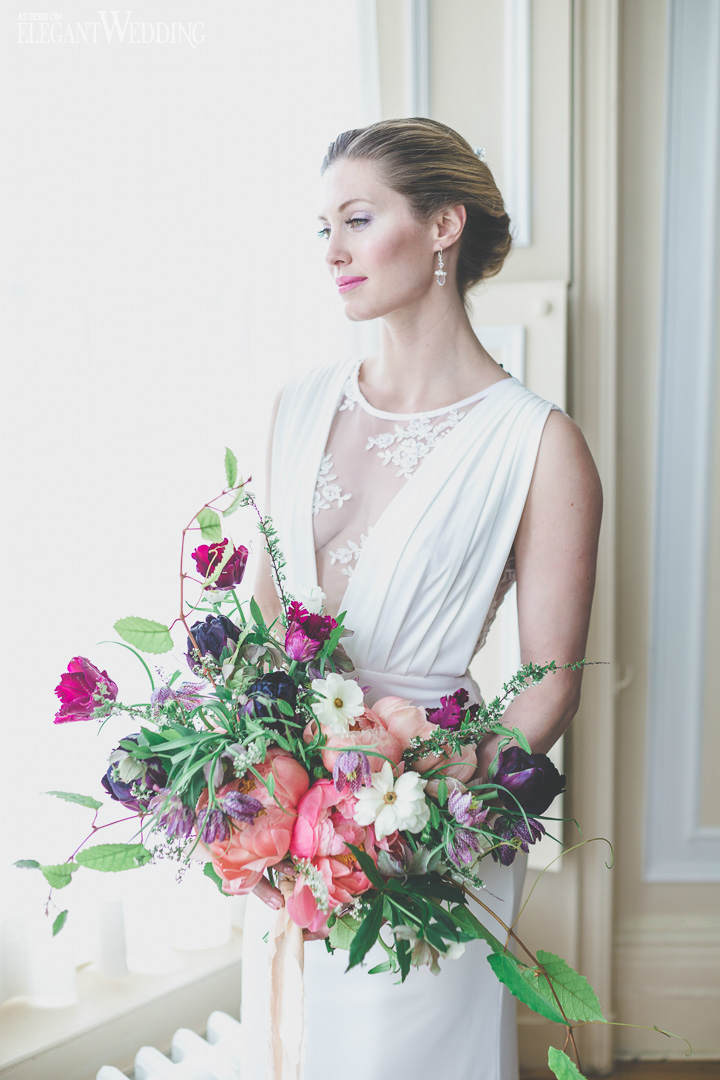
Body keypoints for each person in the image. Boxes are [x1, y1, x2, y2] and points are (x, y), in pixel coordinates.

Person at [241, 117, 603, 1079]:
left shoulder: (538, 445)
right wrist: (260, 780)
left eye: (358, 220)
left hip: (429, 822)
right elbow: (269, 624)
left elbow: (550, 684)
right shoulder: (298, 405)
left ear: (444, 225)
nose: (334, 252)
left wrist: (434, 800)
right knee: (298, 1043)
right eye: (323, 228)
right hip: (294, 822)